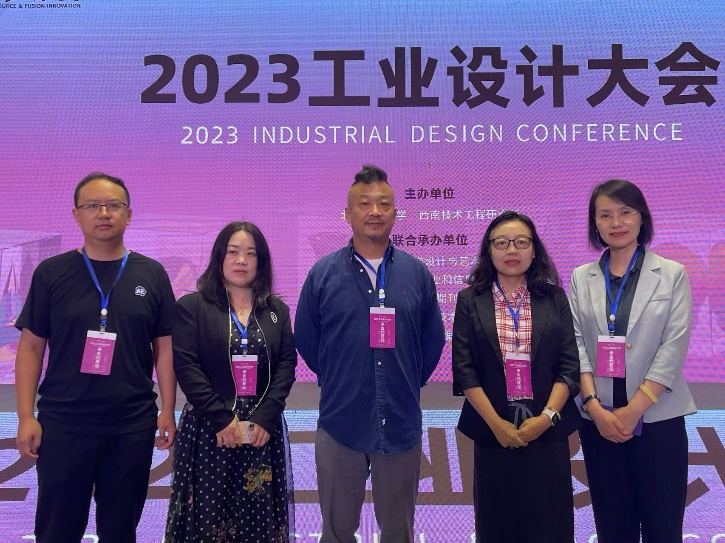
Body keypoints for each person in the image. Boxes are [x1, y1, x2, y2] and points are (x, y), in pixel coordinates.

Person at [14, 172, 177, 543]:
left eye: (113, 205)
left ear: (129, 214)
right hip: (63, 423)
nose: (103, 213)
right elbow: (31, 347)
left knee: (120, 531)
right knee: (57, 530)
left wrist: (168, 408)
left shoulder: (151, 273)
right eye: (92, 206)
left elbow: (164, 346)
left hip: (131, 424)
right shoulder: (51, 273)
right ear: (76, 215)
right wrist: (25, 416)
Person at [295, 164, 445, 543]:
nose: (374, 211)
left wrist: (403, 381)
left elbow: (432, 342)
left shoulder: (417, 273)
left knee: (398, 533)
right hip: (340, 422)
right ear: (347, 214)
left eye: (383, 204)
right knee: (335, 532)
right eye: (364, 204)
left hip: (400, 422)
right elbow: (308, 340)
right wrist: (341, 377)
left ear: (395, 213)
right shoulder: (322, 274)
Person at [569, 179, 696, 543]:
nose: (616, 222)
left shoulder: (672, 273)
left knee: (663, 529)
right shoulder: (581, 277)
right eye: (605, 215)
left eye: (626, 212)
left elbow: (673, 346)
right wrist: (594, 407)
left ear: (642, 217)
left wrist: (634, 409)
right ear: (595, 223)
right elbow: (576, 345)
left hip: (658, 420)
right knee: (613, 528)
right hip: (600, 422)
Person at [452, 211, 580, 543]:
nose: (512, 250)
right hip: (493, 431)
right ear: (488, 250)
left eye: (521, 242)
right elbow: (465, 370)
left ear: (534, 250)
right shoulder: (470, 299)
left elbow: (569, 366)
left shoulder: (554, 297)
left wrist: (547, 418)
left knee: (550, 528)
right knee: (497, 527)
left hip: (546, 432)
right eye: (501, 243)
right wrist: (497, 424)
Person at [165, 221, 296, 542]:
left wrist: (266, 416)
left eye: (251, 254)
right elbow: (186, 365)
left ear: (261, 261)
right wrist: (221, 418)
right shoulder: (192, 307)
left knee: (257, 519)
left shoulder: (276, 310)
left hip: (261, 432)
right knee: (207, 522)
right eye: (233, 252)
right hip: (210, 429)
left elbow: (286, 365)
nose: (241, 260)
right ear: (219, 257)